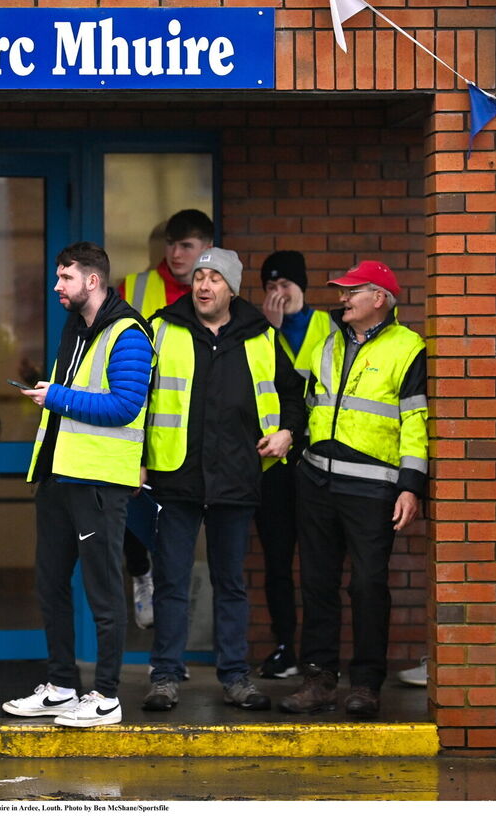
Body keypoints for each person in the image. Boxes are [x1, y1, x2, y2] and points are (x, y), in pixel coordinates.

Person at [141, 247, 306, 713]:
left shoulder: (261, 335)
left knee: (230, 581)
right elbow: (139, 397)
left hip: (237, 475)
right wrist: (136, 459)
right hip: (176, 473)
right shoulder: (161, 328)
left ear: (232, 288)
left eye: (214, 278)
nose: (204, 285)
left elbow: (294, 394)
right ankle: (166, 676)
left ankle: (235, 677)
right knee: (171, 580)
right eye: (199, 277)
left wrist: (287, 434)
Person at [2, 241, 152, 728]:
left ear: (93, 280)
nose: (57, 286)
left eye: (65, 277)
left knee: (104, 593)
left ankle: (106, 696)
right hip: (59, 477)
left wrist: (57, 397)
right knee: (50, 584)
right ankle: (63, 687)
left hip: (98, 482)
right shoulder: (76, 329)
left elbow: (125, 405)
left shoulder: (127, 333)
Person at [279, 261, 427, 718]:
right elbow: (305, 402)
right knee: (318, 584)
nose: (343, 298)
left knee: (367, 585)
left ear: (379, 298)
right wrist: (289, 436)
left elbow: (416, 421)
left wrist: (411, 486)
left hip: (372, 488)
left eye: (352, 292)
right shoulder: (326, 342)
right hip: (317, 479)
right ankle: (319, 680)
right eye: (342, 292)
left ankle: (365, 684)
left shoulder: (409, 348)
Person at [118, 209, 215, 629]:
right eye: (171, 244)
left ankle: (171, 651)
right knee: (128, 509)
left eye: (186, 245)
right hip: (137, 418)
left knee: (174, 537)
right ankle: (140, 574)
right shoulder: (135, 286)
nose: (175, 253)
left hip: (189, 432)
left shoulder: (215, 293)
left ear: (206, 249)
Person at [253, 250, 332, 679]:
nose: (278, 294)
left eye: (285, 285)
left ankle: (322, 655)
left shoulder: (330, 327)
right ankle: (285, 646)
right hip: (275, 464)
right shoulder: (260, 332)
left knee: (321, 562)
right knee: (277, 560)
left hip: (320, 458)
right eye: (270, 286)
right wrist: (271, 330)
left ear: (303, 286)